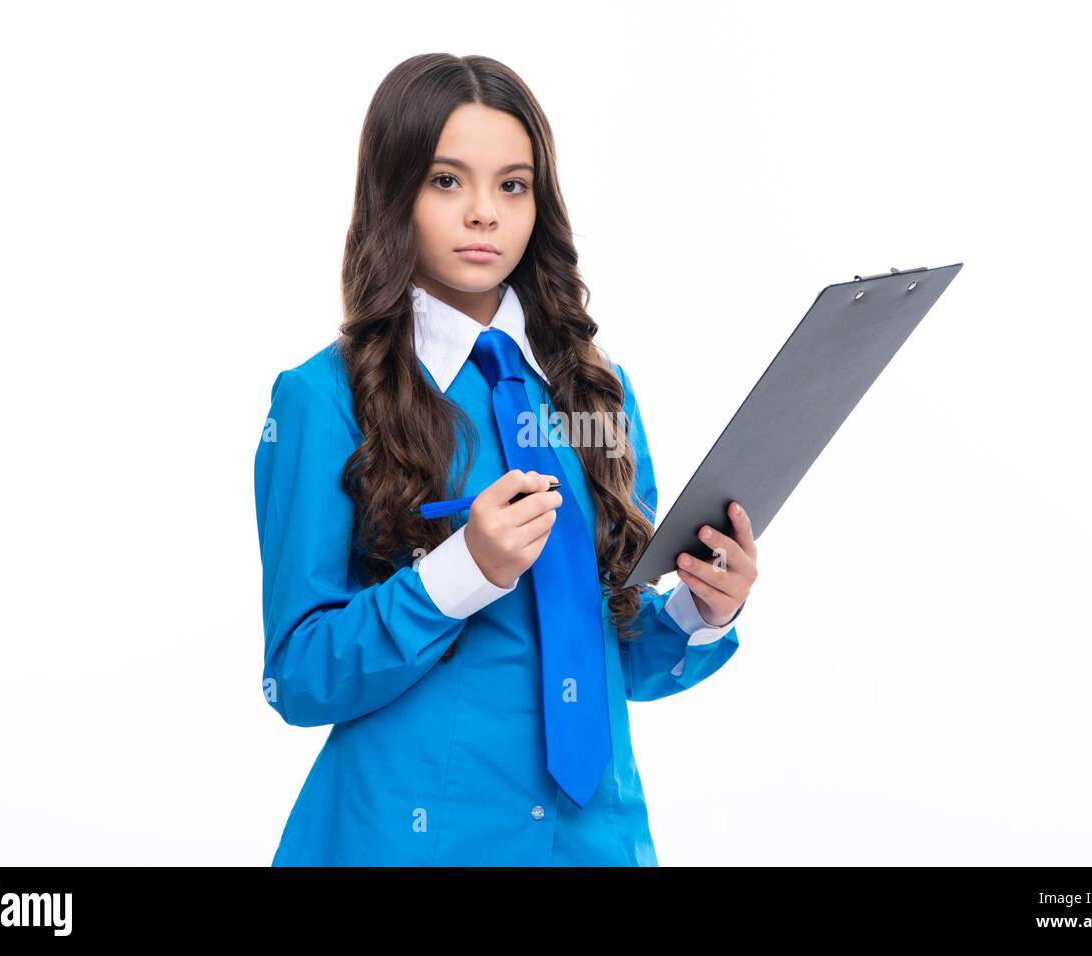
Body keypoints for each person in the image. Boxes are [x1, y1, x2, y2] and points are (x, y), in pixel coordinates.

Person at [253, 53, 758, 866]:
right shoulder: (323, 398)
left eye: (512, 185)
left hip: (592, 838)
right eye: (447, 181)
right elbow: (301, 675)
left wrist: (702, 610)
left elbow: (615, 657)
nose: (484, 213)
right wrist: (460, 575)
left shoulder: (599, 394)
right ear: (394, 195)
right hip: (406, 840)